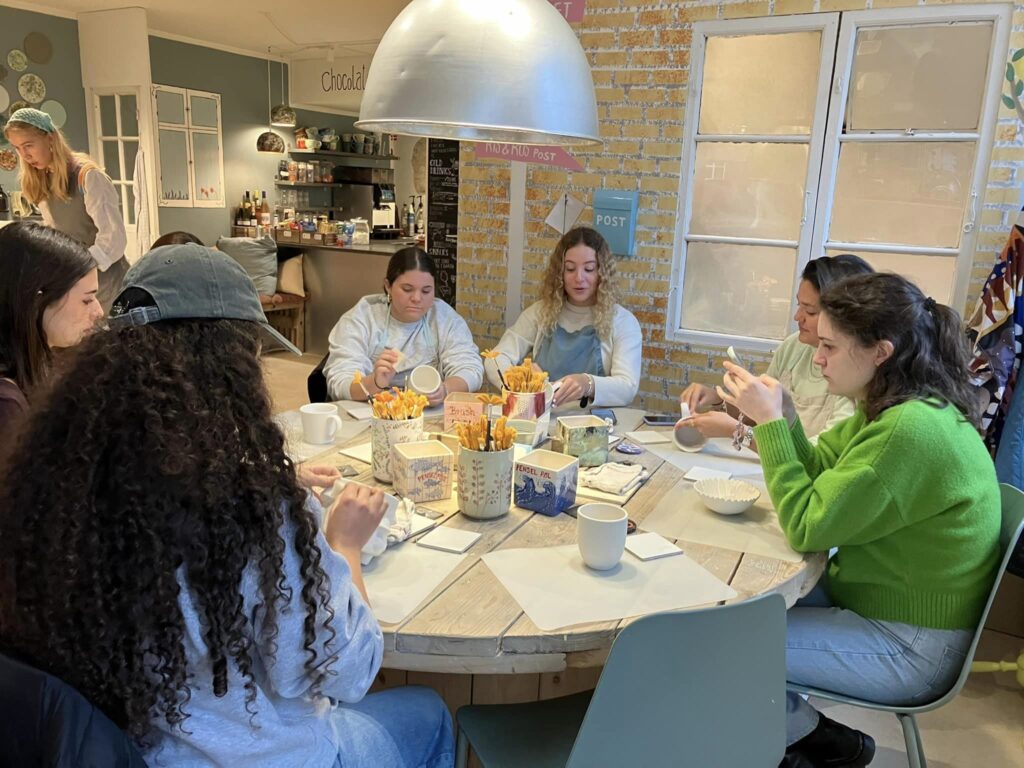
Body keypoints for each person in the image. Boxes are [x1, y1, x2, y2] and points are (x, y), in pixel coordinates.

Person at [0, 244, 454, 767]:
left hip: (144, 753)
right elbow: (347, 672)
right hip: (262, 757)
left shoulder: (60, 479)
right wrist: (344, 546)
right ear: (231, 365)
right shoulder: (250, 506)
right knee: (429, 711)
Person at [717, 273, 1000, 767]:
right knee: (721, 619)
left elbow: (807, 522)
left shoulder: (908, 430)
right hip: (877, 603)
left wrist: (767, 428)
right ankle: (818, 740)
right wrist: (783, 418)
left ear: (880, 352)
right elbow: (823, 471)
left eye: (829, 345)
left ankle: (803, 746)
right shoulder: (894, 406)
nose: (816, 357)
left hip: (911, 643)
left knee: (723, 646)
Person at [681, 254, 874, 446]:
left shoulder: (853, 378)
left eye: (810, 312)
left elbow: (813, 458)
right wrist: (717, 400)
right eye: (799, 305)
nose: (798, 317)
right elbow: (758, 416)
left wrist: (737, 432)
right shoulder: (793, 346)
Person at [484, 226, 642, 407]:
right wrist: (519, 379)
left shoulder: (622, 321)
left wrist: (587, 384)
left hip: (594, 424)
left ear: (602, 273)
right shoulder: (541, 313)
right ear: (560, 272)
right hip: (543, 418)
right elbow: (494, 359)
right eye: (570, 269)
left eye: (589, 269)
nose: (579, 278)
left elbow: (627, 387)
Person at [4, 107, 129, 311]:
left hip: (105, 288)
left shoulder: (88, 177)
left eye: (29, 145)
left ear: (51, 138)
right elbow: (56, 232)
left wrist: (76, 266)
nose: (24, 155)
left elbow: (114, 239)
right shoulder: (43, 179)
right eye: (17, 148)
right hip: (73, 284)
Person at [322, 247, 482, 404]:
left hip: (428, 414)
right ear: (388, 286)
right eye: (407, 289)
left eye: (426, 291)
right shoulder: (362, 318)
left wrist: (445, 390)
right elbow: (339, 382)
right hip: (370, 413)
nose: (417, 298)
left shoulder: (444, 318)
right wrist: (375, 382)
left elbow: (470, 368)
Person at [0, 221, 103, 432]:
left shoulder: (43, 365)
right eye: (86, 300)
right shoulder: (6, 406)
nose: (99, 312)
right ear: (38, 301)